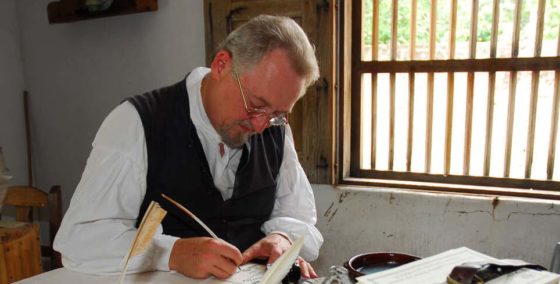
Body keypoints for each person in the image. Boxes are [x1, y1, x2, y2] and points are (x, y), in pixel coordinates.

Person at [54, 15, 324, 280]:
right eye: (256, 104)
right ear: (221, 65)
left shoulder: (274, 129)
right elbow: (79, 239)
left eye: (276, 113)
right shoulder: (137, 122)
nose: (261, 125)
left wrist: (282, 237)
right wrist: (169, 253)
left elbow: (297, 215)